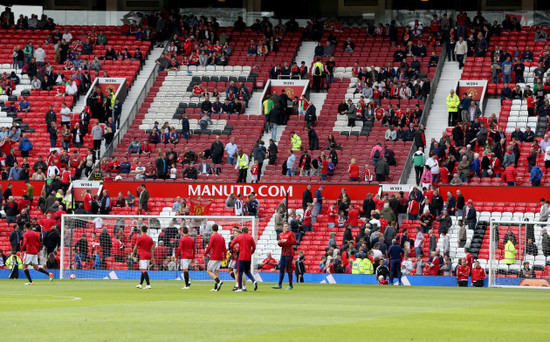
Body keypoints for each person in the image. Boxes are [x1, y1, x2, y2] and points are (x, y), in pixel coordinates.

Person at [273, 223, 297, 291]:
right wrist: (279, 243)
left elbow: (294, 242)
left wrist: (287, 241)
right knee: (281, 268)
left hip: (289, 253)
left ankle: (290, 285)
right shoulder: (280, 234)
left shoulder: (290, 233)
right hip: (283, 253)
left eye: (287, 226)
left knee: (288, 268)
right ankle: (279, 284)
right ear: (282, 227)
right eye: (285, 226)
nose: (287, 227)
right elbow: (281, 245)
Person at [204, 224, 226, 292]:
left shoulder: (212, 236)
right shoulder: (222, 237)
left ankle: (218, 281)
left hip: (214, 256)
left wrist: (205, 254)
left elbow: (209, 246)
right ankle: (216, 288)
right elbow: (224, 249)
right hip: (220, 257)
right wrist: (224, 257)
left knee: (208, 271)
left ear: (212, 229)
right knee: (216, 272)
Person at [133, 225, 154, 289]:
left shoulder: (140, 237)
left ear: (141, 230)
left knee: (144, 270)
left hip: (143, 255)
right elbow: (152, 248)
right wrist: (152, 257)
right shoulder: (150, 238)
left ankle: (148, 284)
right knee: (143, 269)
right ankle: (140, 284)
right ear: (146, 230)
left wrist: (133, 254)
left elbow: (135, 247)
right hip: (148, 255)